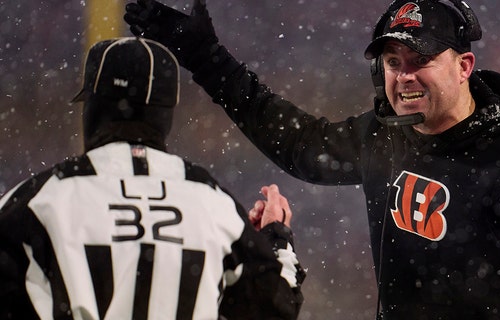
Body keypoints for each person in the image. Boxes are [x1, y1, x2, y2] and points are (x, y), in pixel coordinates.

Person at [124, 0, 500, 319]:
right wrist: (205, 56)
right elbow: (299, 145)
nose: (403, 77)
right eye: (392, 63)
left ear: (464, 67)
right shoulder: (385, 139)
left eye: (420, 61)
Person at [0, 37, 305, 320]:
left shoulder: (39, 201)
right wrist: (274, 241)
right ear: (165, 113)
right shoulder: (213, 206)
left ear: (93, 107)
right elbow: (275, 310)